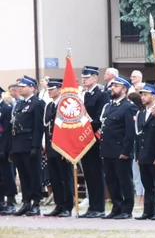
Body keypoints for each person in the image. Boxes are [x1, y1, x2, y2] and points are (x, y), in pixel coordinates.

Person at [101, 76, 138, 219]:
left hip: (120, 150)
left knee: (124, 180)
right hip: (108, 150)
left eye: (115, 86)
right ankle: (116, 206)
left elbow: (130, 132)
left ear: (124, 89)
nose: (112, 88)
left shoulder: (129, 107)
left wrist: (126, 151)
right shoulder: (109, 106)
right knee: (111, 180)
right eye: (111, 86)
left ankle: (126, 209)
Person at [9, 76, 45, 216]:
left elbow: (38, 126)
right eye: (20, 86)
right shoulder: (19, 104)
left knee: (33, 174)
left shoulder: (37, 103)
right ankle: (26, 202)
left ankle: (36, 202)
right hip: (18, 143)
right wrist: (12, 147)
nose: (20, 88)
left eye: (24, 86)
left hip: (30, 143)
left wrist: (36, 146)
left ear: (32, 87)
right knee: (23, 175)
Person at [135, 86, 155, 220]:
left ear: (154, 96)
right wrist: (137, 155)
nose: (142, 97)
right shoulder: (141, 113)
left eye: (146, 94)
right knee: (147, 184)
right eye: (141, 95)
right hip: (144, 154)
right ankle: (148, 210)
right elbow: (138, 136)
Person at [80, 66, 108, 217]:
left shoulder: (102, 95)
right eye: (83, 77)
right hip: (84, 140)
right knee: (88, 174)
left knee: (96, 174)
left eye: (88, 76)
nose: (84, 79)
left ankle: (99, 207)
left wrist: (86, 128)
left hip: (95, 139)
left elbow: (100, 118)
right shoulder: (84, 96)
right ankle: (92, 206)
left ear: (96, 77)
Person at [43, 79, 73, 218]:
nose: (49, 91)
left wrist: (66, 148)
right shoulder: (49, 106)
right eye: (48, 89)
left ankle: (67, 206)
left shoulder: (65, 105)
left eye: (52, 89)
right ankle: (59, 204)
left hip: (62, 147)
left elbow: (68, 128)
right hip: (51, 146)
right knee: (54, 178)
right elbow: (47, 127)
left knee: (65, 178)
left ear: (60, 89)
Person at [0, 85, 15, 214]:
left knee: (8, 175)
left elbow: (6, 131)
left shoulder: (6, 109)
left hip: (4, 148)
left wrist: (3, 148)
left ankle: (10, 201)